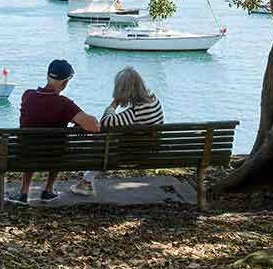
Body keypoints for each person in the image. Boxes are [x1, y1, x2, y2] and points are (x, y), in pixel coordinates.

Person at [8, 59, 101, 204]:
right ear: (65, 83)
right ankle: (48, 190)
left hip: (26, 154)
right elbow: (94, 126)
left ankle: (24, 192)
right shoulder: (64, 104)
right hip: (54, 156)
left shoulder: (28, 96)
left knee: (31, 141)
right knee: (58, 145)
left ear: (47, 76)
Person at [71, 67, 164, 196]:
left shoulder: (135, 112)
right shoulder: (153, 98)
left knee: (103, 141)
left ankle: (86, 181)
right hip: (152, 148)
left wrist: (115, 103)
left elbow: (106, 122)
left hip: (136, 155)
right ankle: (86, 180)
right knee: (108, 140)